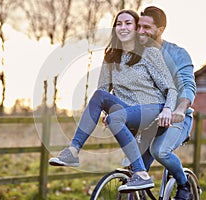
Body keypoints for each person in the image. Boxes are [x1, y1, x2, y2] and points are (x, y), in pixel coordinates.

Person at [48, 9, 178, 192]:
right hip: (127, 110)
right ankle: (73, 151)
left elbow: (170, 88)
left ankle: (141, 174)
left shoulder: (149, 53)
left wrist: (168, 109)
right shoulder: (111, 56)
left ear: (136, 29)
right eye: (119, 23)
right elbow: (102, 90)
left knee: (115, 118)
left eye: (128, 23)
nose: (123, 27)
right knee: (100, 97)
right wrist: (103, 110)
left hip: (152, 108)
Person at [137, 6, 197, 200]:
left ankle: (183, 184)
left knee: (159, 151)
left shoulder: (177, 54)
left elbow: (187, 85)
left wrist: (179, 110)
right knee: (134, 170)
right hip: (148, 120)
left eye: (146, 27)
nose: (140, 31)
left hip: (176, 118)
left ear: (160, 29)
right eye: (139, 26)